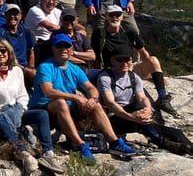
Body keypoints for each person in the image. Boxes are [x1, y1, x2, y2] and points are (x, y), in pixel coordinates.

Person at [28, 33, 136, 163]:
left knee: (95, 105)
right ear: (53, 48)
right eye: (59, 46)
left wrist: (93, 99)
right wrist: (76, 97)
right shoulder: (45, 67)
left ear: (71, 49)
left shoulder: (75, 69)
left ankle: (114, 142)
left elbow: (91, 88)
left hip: (67, 107)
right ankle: (81, 145)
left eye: (66, 46)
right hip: (45, 107)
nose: (63, 49)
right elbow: (48, 91)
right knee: (61, 103)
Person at [0, 39, 64, 174]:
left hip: (16, 111)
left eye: (3, 50)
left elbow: (23, 95)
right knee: (0, 119)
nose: (0, 54)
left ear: (8, 52)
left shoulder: (16, 70)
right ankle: (22, 151)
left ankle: (48, 153)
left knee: (42, 114)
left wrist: (22, 109)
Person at [98, 44, 192, 154]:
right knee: (136, 107)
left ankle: (189, 148)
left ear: (131, 60)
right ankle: (160, 141)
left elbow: (142, 97)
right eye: (119, 60)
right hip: (115, 119)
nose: (124, 63)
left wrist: (147, 109)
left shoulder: (134, 77)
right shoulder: (105, 77)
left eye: (127, 59)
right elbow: (110, 103)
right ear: (112, 61)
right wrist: (131, 116)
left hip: (136, 118)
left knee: (176, 133)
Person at [98, 5, 174, 114]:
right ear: (106, 17)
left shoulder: (129, 33)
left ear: (122, 17)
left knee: (153, 60)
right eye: (111, 15)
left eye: (118, 14)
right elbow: (95, 55)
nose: (115, 17)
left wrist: (156, 73)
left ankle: (162, 97)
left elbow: (143, 52)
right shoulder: (100, 35)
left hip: (130, 67)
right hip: (112, 71)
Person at [0, 4, 37, 84]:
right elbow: (4, 57)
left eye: (15, 14)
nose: (12, 16)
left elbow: (30, 51)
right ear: (5, 16)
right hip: (9, 66)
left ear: (20, 16)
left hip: (25, 67)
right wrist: (25, 70)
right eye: (9, 14)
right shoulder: (0, 33)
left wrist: (31, 68)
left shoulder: (25, 31)